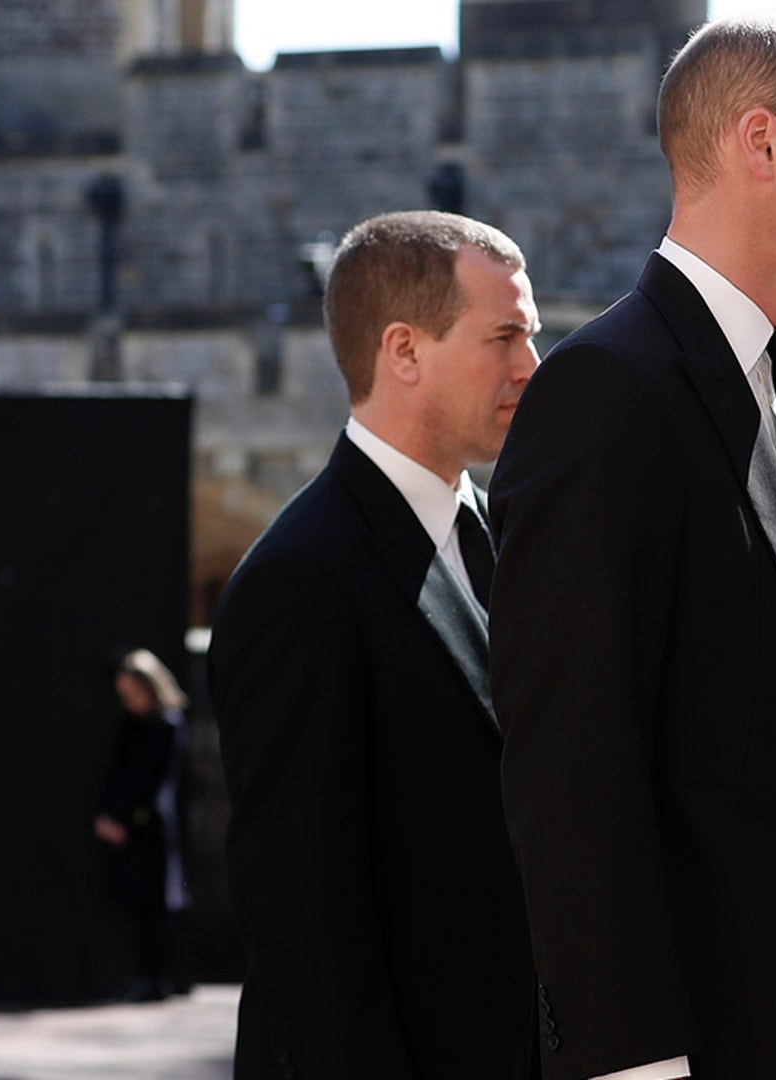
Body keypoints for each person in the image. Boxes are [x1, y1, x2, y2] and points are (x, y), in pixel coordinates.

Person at [487, 13, 776, 1080]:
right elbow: (571, 768)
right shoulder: (605, 395)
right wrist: (630, 1061)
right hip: (706, 1041)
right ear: (760, 143)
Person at [209, 210, 542, 1078]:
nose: (529, 367)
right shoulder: (301, 583)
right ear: (404, 351)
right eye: (503, 336)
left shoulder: (507, 538)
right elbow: (302, 924)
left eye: (530, 335)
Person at [95, 647, 192, 1001]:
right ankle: (143, 976)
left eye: (133, 694)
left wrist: (124, 818)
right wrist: (108, 815)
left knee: (159, 904)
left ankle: (162, 978)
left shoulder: (167, 725)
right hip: (127, 824)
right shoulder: (131, 725)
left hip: (149, 823)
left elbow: (150, 779)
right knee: (135, 906)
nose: (129, 702)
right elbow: (117, 775)